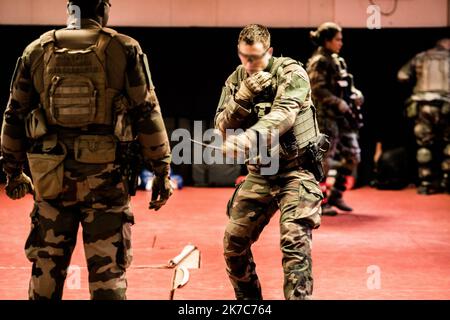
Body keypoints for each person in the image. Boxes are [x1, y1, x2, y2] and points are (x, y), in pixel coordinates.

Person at [0, 0, 172, 299]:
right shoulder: (124, 48)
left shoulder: (37, 50)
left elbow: (14, 116)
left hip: (51, 179)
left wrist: (13, 173)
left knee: (46, 271)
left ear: (70, 10)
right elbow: (147, 113)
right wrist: (161, 170)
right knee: (109, 274)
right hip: (107, 180)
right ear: (104, 10)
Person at [215, 24, 326, 300]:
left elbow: (283, 117)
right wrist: (241, 97)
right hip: (261, 174)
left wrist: (248, 139)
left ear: (270, 51)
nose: (250, 64)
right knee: (233, 245)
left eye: (256, 57)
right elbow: (221, 126)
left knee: (294, 243)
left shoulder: (292, 72)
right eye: (244, 57)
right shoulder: (237, 79)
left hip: (295, 171)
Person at [306, 22, 364, 215]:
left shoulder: (338, 61)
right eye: (337, 39)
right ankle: (319, 201)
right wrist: (337, 102)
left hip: (343, 117)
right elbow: (316, 89)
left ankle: (337, 194)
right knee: (323, 159)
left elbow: (348, 84)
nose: (341, 42)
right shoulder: (319, 61)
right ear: (327, 40)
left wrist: (356, 95)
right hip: (325, 116)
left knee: (353, 155)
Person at [397, 38, 450, 194]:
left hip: (423, 106)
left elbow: (402, 75)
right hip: (447, 105)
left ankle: (425, 183)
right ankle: (447, 181)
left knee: (424, 145)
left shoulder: (421, 57)